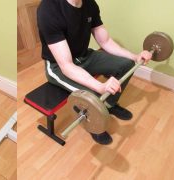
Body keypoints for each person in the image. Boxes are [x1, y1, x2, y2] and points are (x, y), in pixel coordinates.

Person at [37, 0, 152, 144]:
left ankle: (109, 105)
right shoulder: (49, 8)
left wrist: (135, 56)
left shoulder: (90, 4)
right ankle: (95, 126)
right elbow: (66, 65)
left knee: (127, 65)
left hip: (85, 56)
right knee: (93, 96)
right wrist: (100, 86)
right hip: (58, 66)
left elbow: (106, 41)